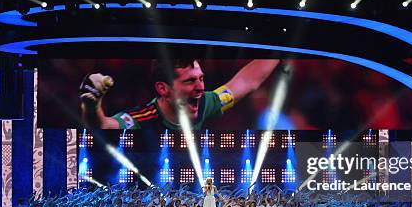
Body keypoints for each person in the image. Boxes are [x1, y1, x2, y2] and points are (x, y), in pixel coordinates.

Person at [80, 59, 281, 129]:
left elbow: (247, 81)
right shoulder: (144, 117)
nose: (201, 88)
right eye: (190, 81)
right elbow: (103, 125)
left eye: (201, 78)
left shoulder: (206, 103)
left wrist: (281, 46)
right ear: (163, 89)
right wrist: (93, 106)